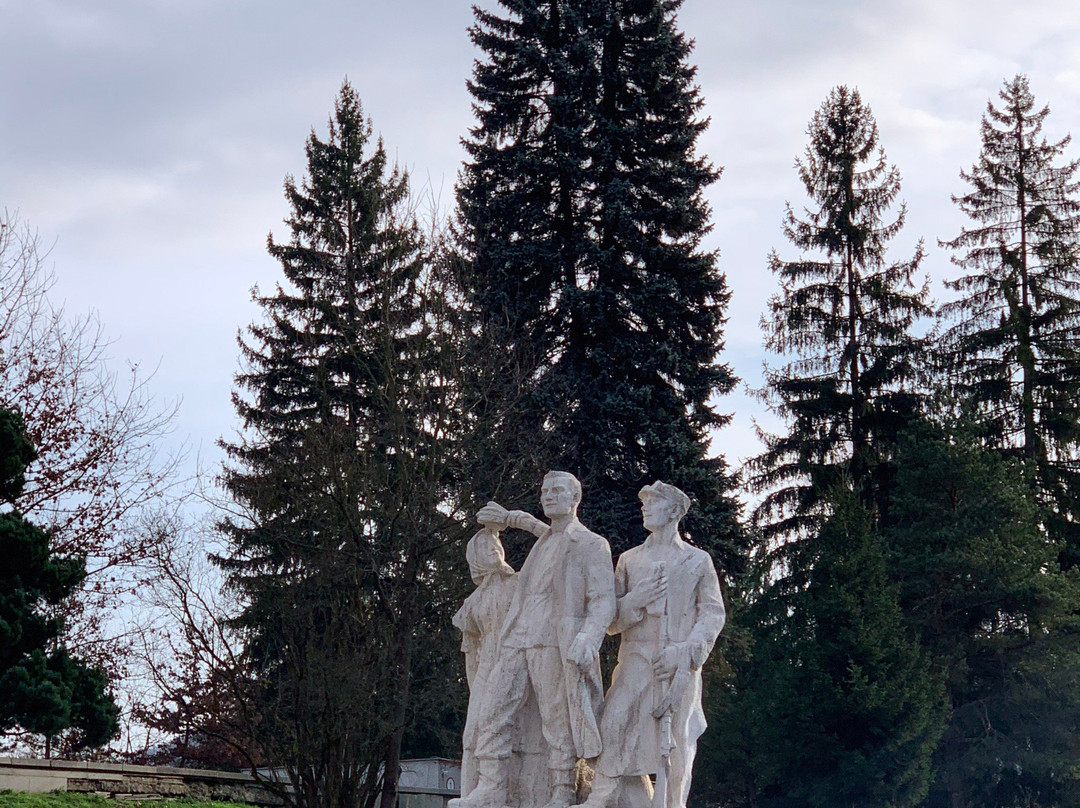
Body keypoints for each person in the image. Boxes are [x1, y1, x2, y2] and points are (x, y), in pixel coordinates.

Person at [451, 471, 616, 808]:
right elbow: (542, 534)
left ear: (575, 498)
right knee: (493, 711)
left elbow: (603, 600)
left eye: (557, 491)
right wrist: (513, 519)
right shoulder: (544, 541)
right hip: (517, 637)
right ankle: (492, 787)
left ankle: (561, 790)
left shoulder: (590, 543)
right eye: (544, 492)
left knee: (557, 717)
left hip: (554, 640)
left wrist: (589, 636)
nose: (548, 496)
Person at [583, 481, 725, 808]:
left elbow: (713, 613)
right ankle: (602, 796)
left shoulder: (697, 560)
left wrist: (686, 650)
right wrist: (636, 600)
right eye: (643, 502)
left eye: (653, 502)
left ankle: (673, 805)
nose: (644, 507)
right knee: (614, 721)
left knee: (676, 743)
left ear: (674, 510)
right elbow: (611, 620)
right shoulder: (630, 560)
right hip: (635, 657)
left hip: (677, 665)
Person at [453, 527, 519, 799]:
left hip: (515, 657)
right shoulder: (473, 601)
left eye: (495, 543)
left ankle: (504, 791)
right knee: (473, 733)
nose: (493, 548)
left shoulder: (518, 583)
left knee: (505, 729)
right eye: (484, 546)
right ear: (474, 557)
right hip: (486, 666)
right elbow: (470, 650)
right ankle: (471, 793)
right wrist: (477, 686)